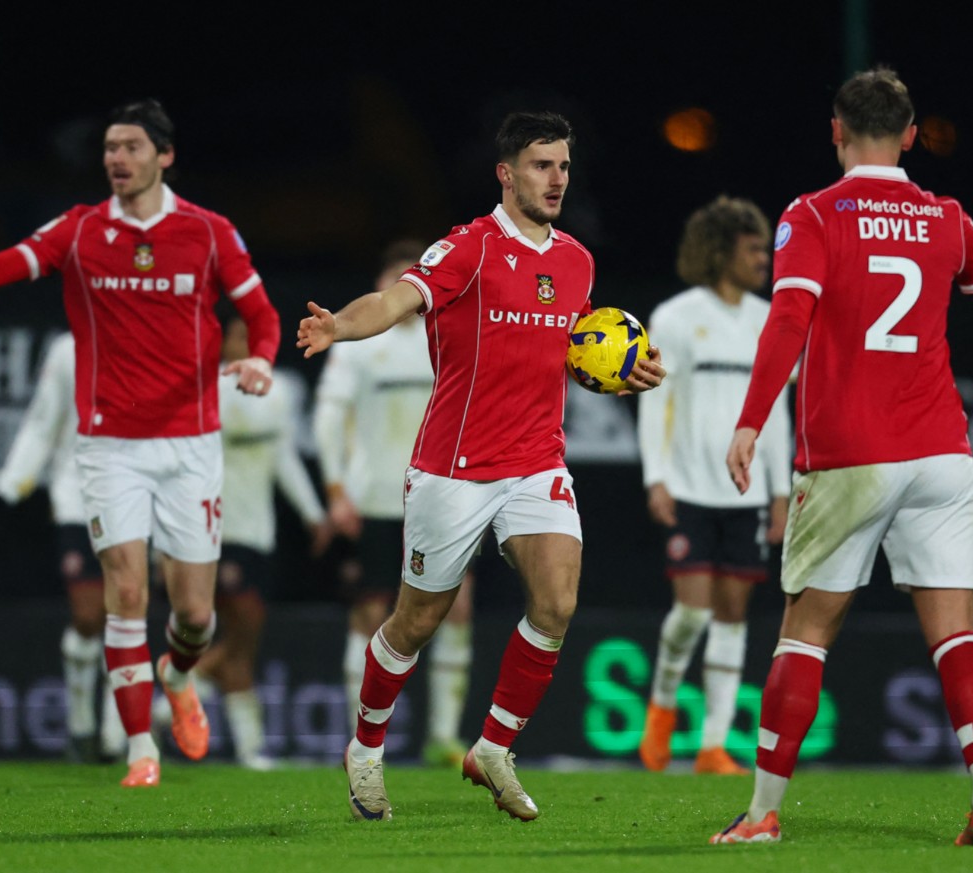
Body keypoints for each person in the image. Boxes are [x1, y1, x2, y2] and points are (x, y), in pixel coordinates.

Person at [709, 67, 973, 847]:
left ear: (835, 131)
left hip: (850, 454)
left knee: (805, 631)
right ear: (912, 135)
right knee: (956, 634)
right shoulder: (945, 217)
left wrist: (750, 420)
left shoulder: (813, 214)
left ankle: (764, 813)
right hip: (941, 452)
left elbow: (789, 318)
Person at [0, 98, 283, 788]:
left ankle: (176, 675)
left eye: (129, 147)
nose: (116, 159)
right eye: (108, 148)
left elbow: (260, 312)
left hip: (190, 442)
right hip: (109, 446)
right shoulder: (79, 229)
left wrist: (263, 358)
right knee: (125, 593)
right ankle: (137, 750)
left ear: (164, 155)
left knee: (194, 614)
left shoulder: (209, 232)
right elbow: (2, 266)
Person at [297, 110, 665, 822]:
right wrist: (340, 325)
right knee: (415, 620)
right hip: (454, 468)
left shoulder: (577, 261)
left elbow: (579, 344)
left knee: (557, 601)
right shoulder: (467, 247)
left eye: (562, 165)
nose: (556, 178)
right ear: (506, 173)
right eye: (540, 165)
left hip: (535, 462)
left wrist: (622, 370)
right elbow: (396, 300)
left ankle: (494, 745)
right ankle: (366, 746)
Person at [636, 196, 791, 776]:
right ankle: (662, 706)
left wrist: (779, 489)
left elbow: (776, 410)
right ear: (722, 251)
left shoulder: (767, 319)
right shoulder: (676, 316)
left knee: (732, 616)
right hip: (690, 487)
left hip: (747, 495)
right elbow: (656, 402)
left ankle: (712, 746)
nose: (764, 260)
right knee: (692, 615)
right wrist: (656, 476)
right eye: (753, 249)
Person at [313, 238, 478, 770]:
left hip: (441, 498)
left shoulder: (447, 337)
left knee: (458, 611)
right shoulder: (357, 346)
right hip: (377, 500)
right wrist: (337, 490)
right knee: (369, 615)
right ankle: (356, 739)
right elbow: (327, 419)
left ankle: (443, 738)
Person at [152, 315, 331, 768]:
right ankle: (191, 707)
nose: (247, 346)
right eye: (238, 338)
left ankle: (246, 745)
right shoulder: (202, 390)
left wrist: (313, 515)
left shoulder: (278, 392)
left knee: (244, 637)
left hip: (257, 531)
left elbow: (284, 458)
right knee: (236, 625)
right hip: (208, 526)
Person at [0, 329, 128, 764]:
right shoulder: (68, 350)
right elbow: (44, 419)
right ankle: (80, 723)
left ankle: (114, 735)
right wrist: (12, 484)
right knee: (89, 615)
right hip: (76, 496)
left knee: (125, 611)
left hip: (134, 499)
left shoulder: (152, 337)